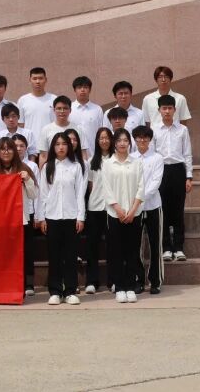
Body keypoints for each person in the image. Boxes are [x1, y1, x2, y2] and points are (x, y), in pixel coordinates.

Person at [37, 132, 86, 306]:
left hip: (71, 217)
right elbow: (42, 194)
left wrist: (80, 217)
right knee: (54, 256)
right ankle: (55, 291)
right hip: (52, 217)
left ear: (69, 146)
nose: (61, 147)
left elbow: (79, 193)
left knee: (70, 256)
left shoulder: (76, 167)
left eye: (64, 144)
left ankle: (70, 291)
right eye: (57, 144)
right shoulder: (48, 167)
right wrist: (41, 217)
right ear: (53, 147)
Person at [0, 137, 38, 295]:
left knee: (19, 256)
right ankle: (0, 288)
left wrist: (27, 179)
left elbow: (34, 195)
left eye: (9, 148)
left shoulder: (23, 168)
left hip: (20, 220)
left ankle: (19, 289)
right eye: (2, 149)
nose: (6, 152)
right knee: (1, 256)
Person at [102, 128, 144, 304]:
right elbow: (106, 188)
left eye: (125, 140)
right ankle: (119, 287)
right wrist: (118, 209)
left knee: (132, 251)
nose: (122, 143)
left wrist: (133, 210)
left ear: (129, 143)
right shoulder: (107, 164)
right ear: (114, 143)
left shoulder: (136, 162)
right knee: (117, 252)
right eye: (119, 140)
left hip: (134, 213)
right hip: (115, 214)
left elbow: (141, 187)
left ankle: (130, 287)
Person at [152, 94, 193, 261]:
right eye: (164, 108)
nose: (167, 111)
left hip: (178, 170)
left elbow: (187, 154)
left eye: (170, 108)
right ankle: (166, 248)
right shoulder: (154, 129)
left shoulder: (182, 130)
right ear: (159, 110)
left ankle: (179, 247)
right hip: (161, 171)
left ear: (175, 110)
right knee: (163, 209)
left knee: (178, 210)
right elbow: (152, 155)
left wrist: (189, 177)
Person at [133, 125, 165, 295]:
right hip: (135, 209)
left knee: (155, 244)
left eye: (145, 137)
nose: (142, 140)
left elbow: (155, 182)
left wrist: (140, 197)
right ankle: (138, 280)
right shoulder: (131, 158)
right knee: (136, 245)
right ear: (135, 139)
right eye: (139, 137)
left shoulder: (157, 158)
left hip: (153, 206)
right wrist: (135, 201)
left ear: (150, 139)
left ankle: (155, 281)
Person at [84, 126, 115, 295]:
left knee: (113, 245)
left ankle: (113, 280)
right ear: (97, 141)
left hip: (112, 208)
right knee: (92, 246)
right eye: (101, 138)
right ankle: (91, 281)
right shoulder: (91, 161)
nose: (104, 141)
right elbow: (90, 185)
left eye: (107, 138)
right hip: (95, 207)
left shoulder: (116, 159)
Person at [69, 76, 104, 158]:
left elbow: (101, 133)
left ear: (90, 90)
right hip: (72, 155)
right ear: (74, 90)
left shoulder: (97, 109)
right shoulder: (69, 108)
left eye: (85, 87)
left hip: (93, 155)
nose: (82, 90)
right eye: (79, 87)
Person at [17, 67, 56, 138]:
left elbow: (57, 122)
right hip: (29, 141)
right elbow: (20, 124)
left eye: (41, 78)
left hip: (49, 140)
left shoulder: (54, 99)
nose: (38, 81)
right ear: (30, 80)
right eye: (34, 79)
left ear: (46, 80)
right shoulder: (23, 100)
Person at [38, 96, 77, 166]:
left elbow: (83, 153)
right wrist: (42, 171)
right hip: (53, 168)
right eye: (59, 108)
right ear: (54, 110)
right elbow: (43, 155)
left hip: (74, 168)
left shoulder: (77, 129)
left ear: (70, 110)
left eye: (65, 108)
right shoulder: (46, 129)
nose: (62, 111)